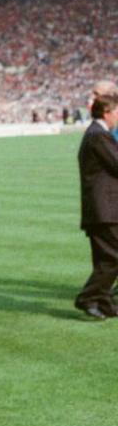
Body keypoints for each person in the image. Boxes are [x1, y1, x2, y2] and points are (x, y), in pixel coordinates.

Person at [74, 93, 118, 319]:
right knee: (113, 258)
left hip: (102, 209)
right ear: (107, 112)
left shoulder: (96, 134)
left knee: (105, 259)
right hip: (105, 210)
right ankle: (88, 298)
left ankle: (104, 302)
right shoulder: (99, 135)